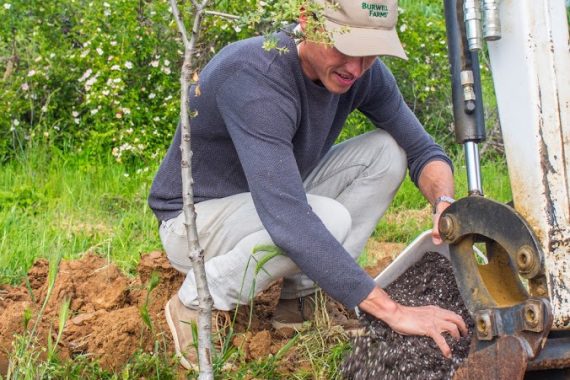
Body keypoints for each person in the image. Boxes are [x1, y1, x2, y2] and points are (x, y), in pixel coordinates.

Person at [149, 0, 467, 370]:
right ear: (308, 21)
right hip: (194, 224)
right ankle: (194, 303)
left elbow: (422, 149)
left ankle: (300, 300)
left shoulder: (363, 73)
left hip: (267, 199)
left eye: (370, 54)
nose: (355, 68)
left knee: (387, 153)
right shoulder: (255, 75)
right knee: (326, 218)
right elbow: (289, 219)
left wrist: (444, 201)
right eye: (346, 48)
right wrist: (393, 311)